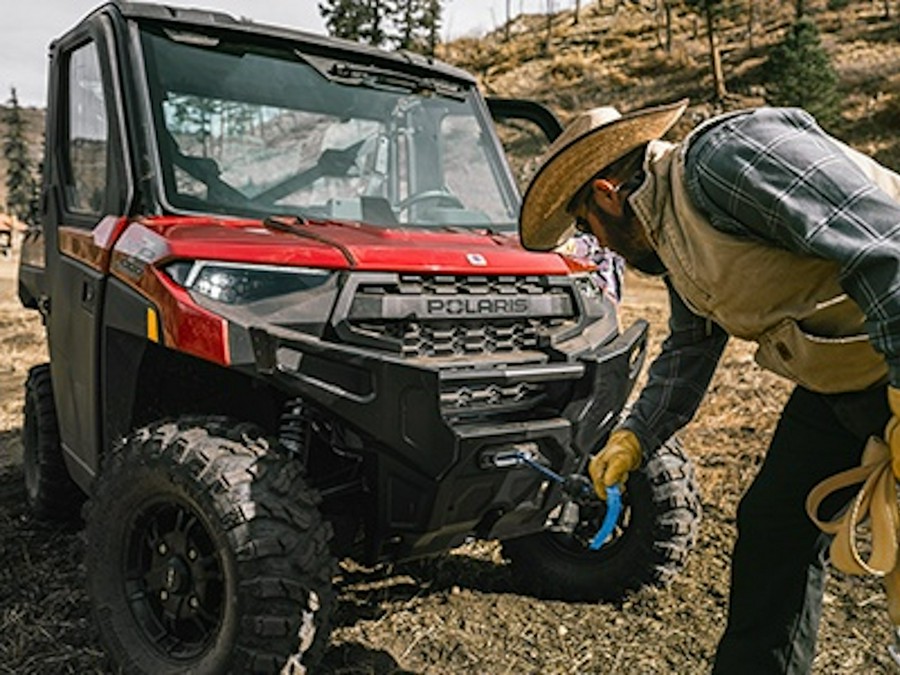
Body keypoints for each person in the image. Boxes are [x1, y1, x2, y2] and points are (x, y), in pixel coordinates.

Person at [518, 99, 900, 674]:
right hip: (846, 376)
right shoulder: (671, 234)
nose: (593, 241)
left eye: (583, 225)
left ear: (604, 193)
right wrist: (636, 437)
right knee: (777, 528)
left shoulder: (727, 160)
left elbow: (887, 247)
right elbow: (692, 345)